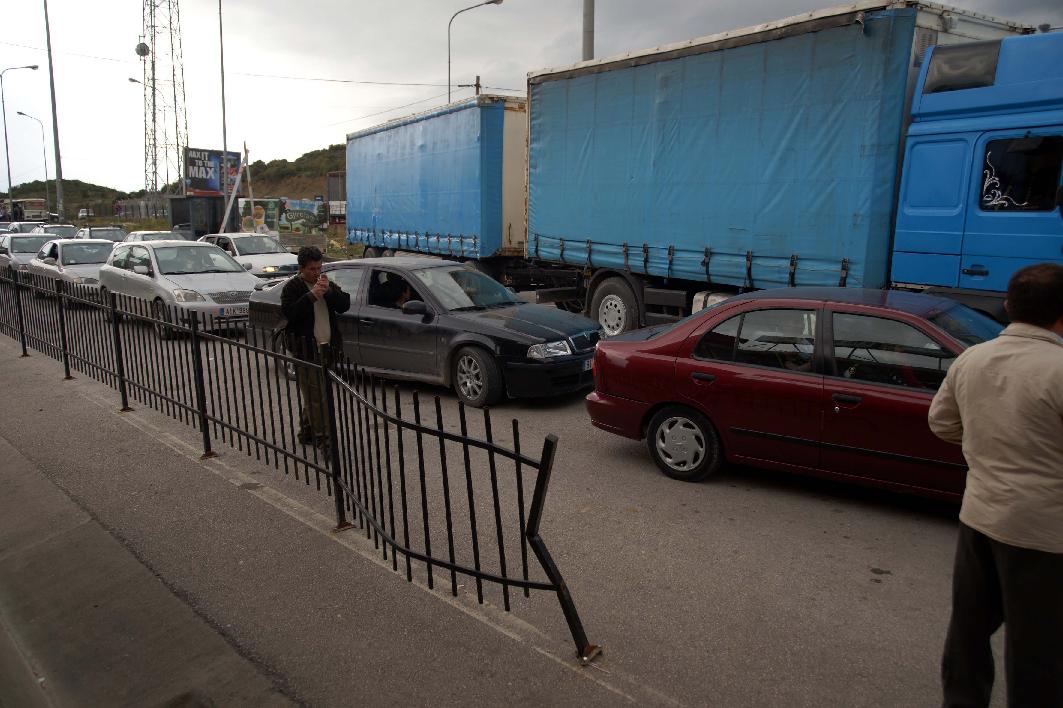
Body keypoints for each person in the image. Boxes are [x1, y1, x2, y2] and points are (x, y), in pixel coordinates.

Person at [928, 262, 1063, 708]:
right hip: (1044, 534)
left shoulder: (972, 359)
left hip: (979, 516)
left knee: (967, 631)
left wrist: (988, 444)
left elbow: (942, 423)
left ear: (1008, 307)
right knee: (1036, 648)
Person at [281, 246, 351, 450]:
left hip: (327, 347)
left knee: (318, 393)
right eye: (312, 269)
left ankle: (307, 431)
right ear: (301, 269)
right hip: (305, 349)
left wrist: (328, 291)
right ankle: (324, 439)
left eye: (319, 268)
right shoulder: (292, 288)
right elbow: (290, 314)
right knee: (317, 396)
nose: (316, 273)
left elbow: (344, 304)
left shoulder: (325, 283)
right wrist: (311, 295)